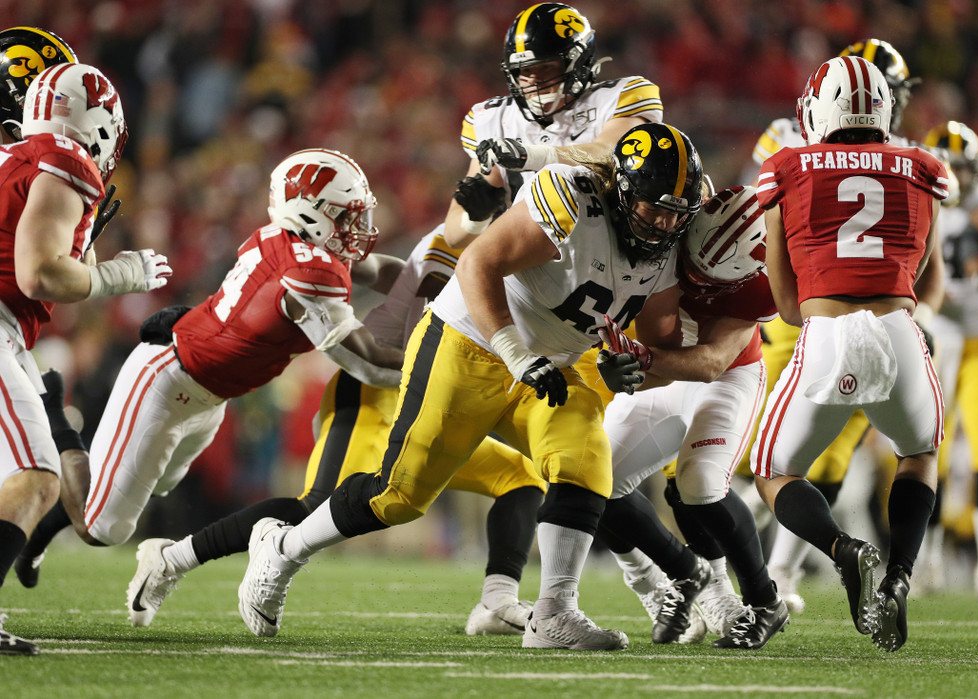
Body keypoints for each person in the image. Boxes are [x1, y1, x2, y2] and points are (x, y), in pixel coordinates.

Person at [234, 122, 703, 651]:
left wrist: (629, 364)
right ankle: (282, 549)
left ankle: (553, 614)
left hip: (553, 365)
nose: (664, 223)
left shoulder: (670, 240)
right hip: (469, 343)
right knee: (399, 496)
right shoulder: (573, 196)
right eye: (653, 207)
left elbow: (658, 338)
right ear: (621, 189)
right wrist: (514, 352)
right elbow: (479, 261)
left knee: (585, 460)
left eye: (675, 212)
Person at [119, 229, 547, 634]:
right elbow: (402, 272)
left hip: (431, 405)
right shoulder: (461, 242)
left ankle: (497, 599)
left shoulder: (530, 267)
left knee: (521, 478)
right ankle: (170, 558)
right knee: (316, 509)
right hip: (375, 396)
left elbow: (389, 274)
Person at [15, 148, 405, 589]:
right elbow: (368, 362)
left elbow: (383, 270)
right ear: (309, 214)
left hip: (209, 393)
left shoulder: (301, 246)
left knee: (157, 485)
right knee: (104, 529)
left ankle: (44, 529)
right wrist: (432, 359)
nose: (360, 229)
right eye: (346, 216)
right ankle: (58, 426)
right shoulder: (307, 271)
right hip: (168, 380)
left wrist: (450, 279)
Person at [741, 38, 946, 613]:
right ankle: (900, 576)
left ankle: (841, 547)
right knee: (918, 454)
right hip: (901, 332)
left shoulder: (784, 165)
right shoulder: (927, 169)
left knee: (772, 470)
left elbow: (785, 302)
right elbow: (917, 265)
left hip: (827, 333)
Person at [0, 61, 168, 656]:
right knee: (36, 478)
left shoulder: (14, 157)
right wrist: (120, 275)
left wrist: (88, 249)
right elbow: (40, 272)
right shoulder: (66, 160)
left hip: (9, 332)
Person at [594, 186, 788, 649]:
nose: (698, 279)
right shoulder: (676, 220)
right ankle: (662, 582)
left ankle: (764, 602)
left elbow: (709, 363)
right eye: (693, 265)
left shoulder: (763, 280)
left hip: (724, 378)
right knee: (589, 474)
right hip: (662, 362)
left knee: (698, 484)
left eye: (712, 277)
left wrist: (637, 361)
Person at [444, 2, 662, 249]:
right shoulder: (493, 119)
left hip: (606, 243)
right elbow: (452, 236)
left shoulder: (621, 96)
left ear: (578, 63)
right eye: (524, 71)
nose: (533, 82)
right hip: (529, 255)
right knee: (430, 251)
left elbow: (611, 153)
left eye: (545, 68)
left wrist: (530, 156)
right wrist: (475, 219)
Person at [933, 127, 978, 600]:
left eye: (963, 166)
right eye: (948, 165)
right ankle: (927, 560)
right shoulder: (922, 202)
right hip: (940, 337)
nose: (956, 175)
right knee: (926, 450)